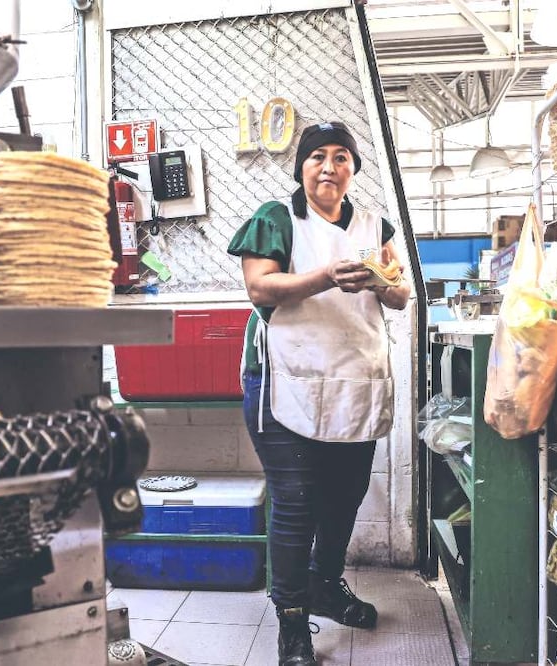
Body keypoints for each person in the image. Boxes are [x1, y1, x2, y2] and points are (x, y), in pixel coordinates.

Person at [226, 121, 411, 666]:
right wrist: (327, 275)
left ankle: (325, 585)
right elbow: (261, 286)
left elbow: (400, 294)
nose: (329, 167)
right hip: (285, 378)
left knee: (345, 495)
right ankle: (290, 620)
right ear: (301, 165)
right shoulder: (276, 218)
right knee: (297, 502)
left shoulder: (374, 224)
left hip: (352, 381)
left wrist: (378, 280)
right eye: (317, 157)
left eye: (341, 157)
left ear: (354, 167)